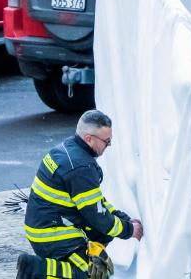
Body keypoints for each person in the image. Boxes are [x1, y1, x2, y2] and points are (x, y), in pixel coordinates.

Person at [17, 111, 143, 279]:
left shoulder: (69, 149)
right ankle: (34, 269)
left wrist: (123, 218)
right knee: (93, 274)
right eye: (106, 141)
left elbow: (97, 204)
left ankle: (64, 264)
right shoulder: (80, 168)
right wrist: (129, 230)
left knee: (104, 235)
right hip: (50, 232)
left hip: (47, 221)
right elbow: (98, 217)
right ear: (89, 139)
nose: (109, 145)